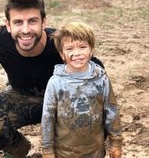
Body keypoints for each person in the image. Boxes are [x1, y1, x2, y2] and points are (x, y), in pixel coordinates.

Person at [0, 0, 105, 157]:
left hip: (62, 99)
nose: (25, 30)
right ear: (8, 25)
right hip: (20, 95)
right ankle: (19, 150)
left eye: (32, 21)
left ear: (43, 23)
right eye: (18, 22)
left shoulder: (60, 43)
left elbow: (97, 69)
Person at [41, 22, 122, 158]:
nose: (77, 53)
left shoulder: (101, 79)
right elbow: (47, 118)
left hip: (95, 151)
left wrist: (116, 142)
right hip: (64, 152)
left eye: (82, 47)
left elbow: (111, 111)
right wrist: (47, 150)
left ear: (91, 50)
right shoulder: (55, 83)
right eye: (69, 48)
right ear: (61, 54)